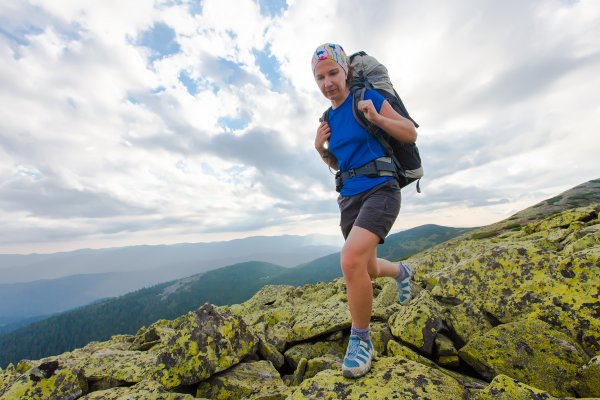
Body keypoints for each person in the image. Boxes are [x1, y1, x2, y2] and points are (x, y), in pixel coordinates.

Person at [311, 43, 417, 378]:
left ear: (346, 71)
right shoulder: (327, 119)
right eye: (320, 77)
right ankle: (402, 272)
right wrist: (319, 148)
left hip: (381, 189)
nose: (328, 82)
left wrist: (378, 117)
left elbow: (410, 132)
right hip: (349, 199)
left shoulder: (365, 99)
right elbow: (339, 163)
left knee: (350, 259)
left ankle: (361, 340)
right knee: (366, 269)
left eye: (333, 73)